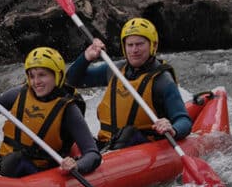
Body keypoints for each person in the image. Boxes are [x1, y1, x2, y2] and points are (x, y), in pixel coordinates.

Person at [0, 47, 102, 178]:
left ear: (57, 76)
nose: (36, 82)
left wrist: (76, 165)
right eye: (32, 76)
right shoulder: (19, 94)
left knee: (16, 159)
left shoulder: (69, 109)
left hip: (35, 174)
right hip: (1, 165)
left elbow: (93, 154)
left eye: (42, 75)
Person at [66, 18, 191, 150]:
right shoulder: (114, 70)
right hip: (107, 144)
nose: (134, 50)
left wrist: (172, 129)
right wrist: (86, 57)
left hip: (141, 146)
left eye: (139, 44)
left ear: (152, 45)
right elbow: (73, 80)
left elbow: (184, 120)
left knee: (128, 134)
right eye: (130, 45)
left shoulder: (162, 80)